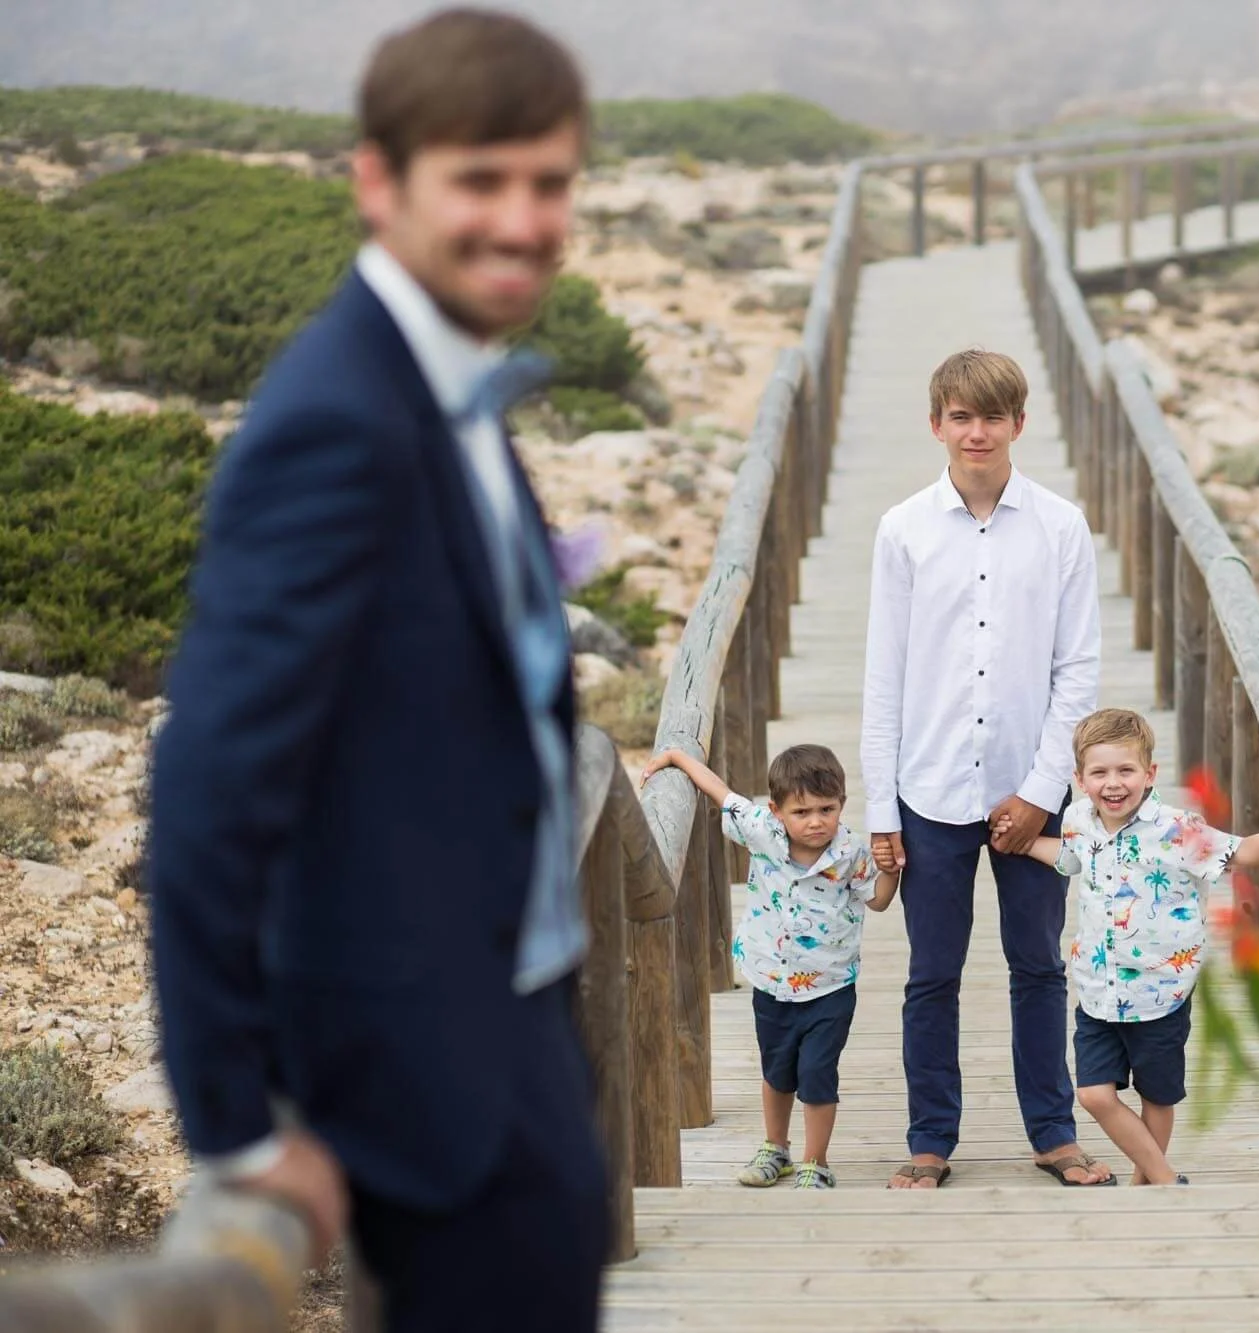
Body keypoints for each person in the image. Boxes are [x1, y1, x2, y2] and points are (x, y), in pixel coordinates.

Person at [147, 11, 610, 1329]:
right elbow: (207, 784)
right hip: (418, 1088)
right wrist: (234, 1128)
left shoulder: (445, 377)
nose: (522, 221)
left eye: (549, 182)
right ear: (377, 181)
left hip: (506, 1034)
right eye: (479, 181)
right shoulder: (335, 423)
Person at [860, 348, 1109, 1189]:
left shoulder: (1061, 526)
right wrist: (880, 807)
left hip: (1029, 785)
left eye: (992, 416)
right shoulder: (901, 529)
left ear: (1018, 424)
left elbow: (1077, 670)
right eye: (960, 416)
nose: (977, 431)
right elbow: (882, 678)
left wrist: (1041, 794)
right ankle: (930, 1139)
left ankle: (1053, 1131)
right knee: (932, 974)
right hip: (926, 788)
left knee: (1038, 966)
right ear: (937, 424)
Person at [1012, 708, 1259, 1186]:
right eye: (1099, 773)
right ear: (1079, 779)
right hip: (1098, 989)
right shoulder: (1078, 820)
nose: (1113, 784)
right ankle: (1164, 1178)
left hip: (1162, 992)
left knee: (1157, 1097)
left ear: (1150, 774)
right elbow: (1068, 859)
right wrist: (1022, 843)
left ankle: (1147, 1181)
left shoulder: (1178, 829)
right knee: (1094, 1094)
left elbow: (1238, 853)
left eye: (1125, 771)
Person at [642, 744, 899, 1189]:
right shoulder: (762, 831)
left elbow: (876, 901)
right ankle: (774, 1148)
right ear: (777, 811)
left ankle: (814, 1161)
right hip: (771, 980)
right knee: (776, 1070)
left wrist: (890, 871)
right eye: (802, 812)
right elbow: (723, 794)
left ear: (842, 804)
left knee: (818, 1074)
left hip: (831, 985)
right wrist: (677, 759)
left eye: (827, 809)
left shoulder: (851, 852)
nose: (816, 821)